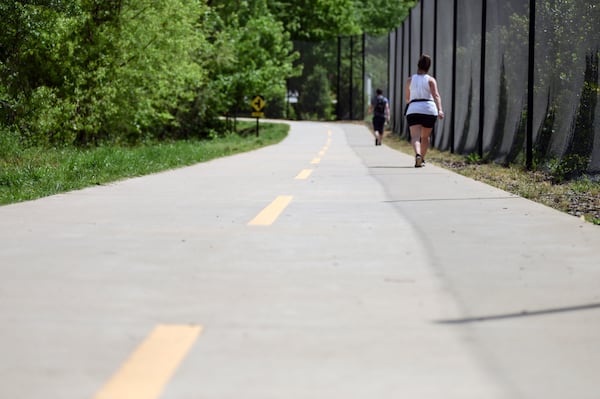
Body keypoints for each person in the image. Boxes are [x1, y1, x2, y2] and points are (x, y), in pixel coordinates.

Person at [405, 54, 444, 167]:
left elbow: (407, 98)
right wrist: (440, 110)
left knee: (415, 136)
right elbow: (436, 95)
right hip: (429, 109)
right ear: (428, 67)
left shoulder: (410, 80)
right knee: (425, 137)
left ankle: (417, 154)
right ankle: (422, 158)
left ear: (418, 65)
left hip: (414, 109)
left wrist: (411, 102)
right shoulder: (431, 80)